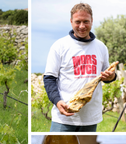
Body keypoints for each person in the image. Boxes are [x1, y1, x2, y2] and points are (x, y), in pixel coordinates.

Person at [43, 3, 117, 132]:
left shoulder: (101, 47)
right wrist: (57, 101)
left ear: (92, 21)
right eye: (77, 22)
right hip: (64, 117)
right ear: (71, 22)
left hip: (91, 118)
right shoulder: (59, 46)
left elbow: (106, 76)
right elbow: (49, 78)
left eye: (86, 21)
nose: (82, 26)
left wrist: (112, 77)